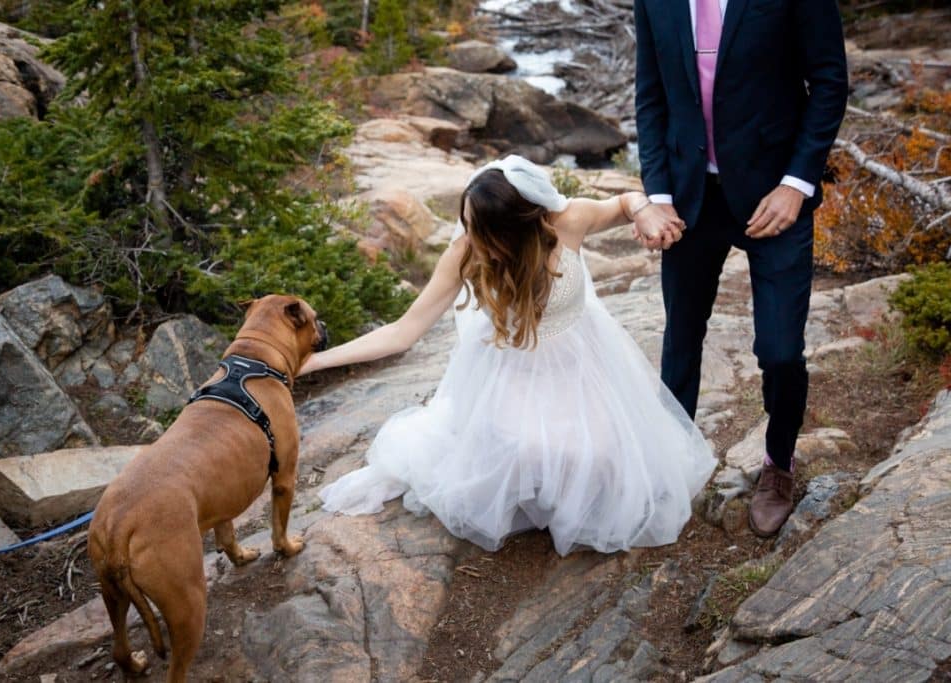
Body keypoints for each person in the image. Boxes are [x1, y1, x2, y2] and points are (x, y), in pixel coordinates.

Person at [299, 155, 716, 556]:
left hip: (582, 364)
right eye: (466, 224)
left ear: (520, 226)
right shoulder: (465, 252)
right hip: (511, 373)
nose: (468, 237)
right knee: (529, 452)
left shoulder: (568, 221)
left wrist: (643, 208)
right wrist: (316, 360)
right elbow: (403, 332)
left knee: (600, 458)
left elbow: (623, 203)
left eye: (480, 229)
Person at [634, 0, 848, 535]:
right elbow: (650, 95)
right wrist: (657, 195)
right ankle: (670, 466)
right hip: (688, 196)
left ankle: (778, 463)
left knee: (779, 351)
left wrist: (798, 184)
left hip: (775, 194)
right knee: (680, 339)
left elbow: (828, 82)